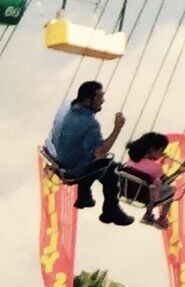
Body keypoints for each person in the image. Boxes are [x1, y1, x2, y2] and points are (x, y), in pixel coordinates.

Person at [42, 81, 133, 224]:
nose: (102, 101)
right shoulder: (90, 124)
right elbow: (101, 151)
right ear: (87, 100)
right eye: (99, 97)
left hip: (58, 161)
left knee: (90, 157)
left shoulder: (66, 109)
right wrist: (117, 128)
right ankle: (111, 211)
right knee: (109, 168)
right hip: (72, 170)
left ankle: (84, 195)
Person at [117, 131, 172, 228]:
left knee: (153, 185)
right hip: (145, 198)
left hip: (126, 191)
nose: (162, 154)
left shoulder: (131, 161)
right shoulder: (156, 167)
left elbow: (145, 167)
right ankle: (160, 217)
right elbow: (165, 182)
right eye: (161, 151)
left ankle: (149, 215)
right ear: (153, 150)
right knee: (171, 189)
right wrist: (181, 169)